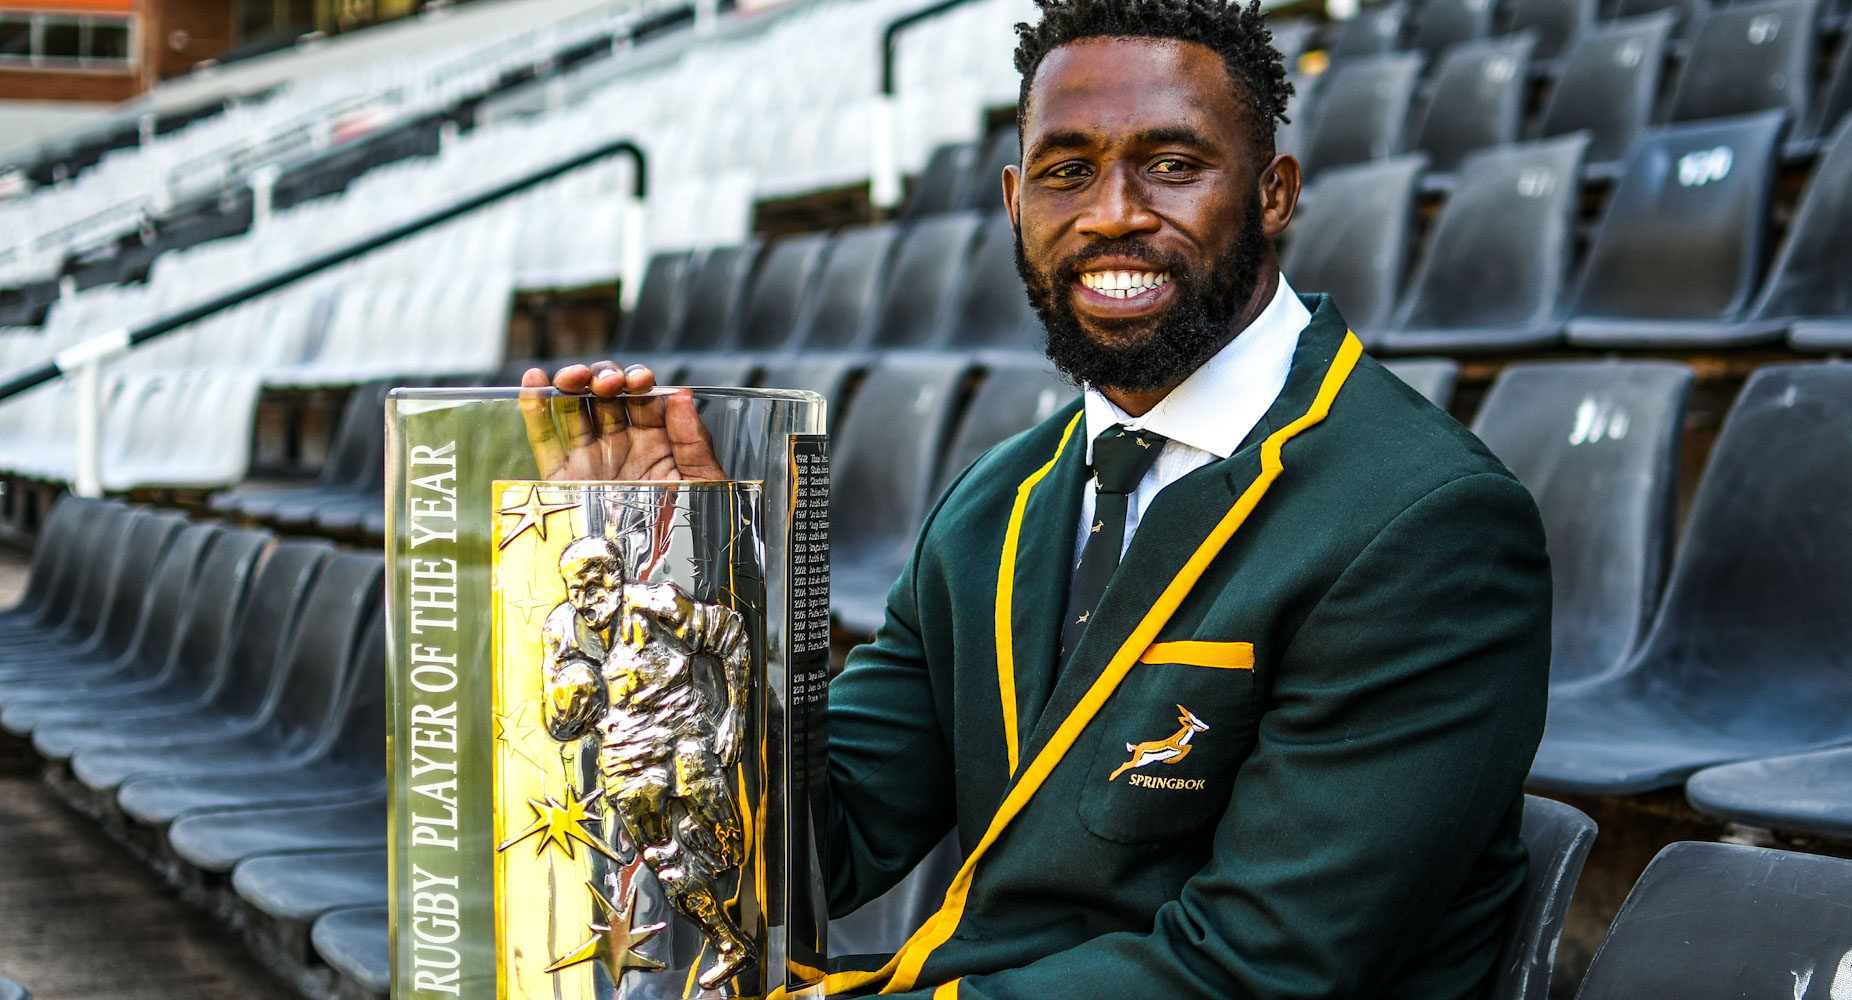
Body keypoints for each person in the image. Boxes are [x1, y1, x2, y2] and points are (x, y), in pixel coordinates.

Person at [522, 0, 1551, 994]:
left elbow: (1258, 966)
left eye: (1171, 165)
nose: (1111, 213)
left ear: (1273, 191)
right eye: (1067, 172)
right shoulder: (996, 502)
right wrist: (691, 589)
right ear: (1017, 205)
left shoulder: (1426, 521)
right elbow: (811, 856)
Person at [538, 535, 757, 988]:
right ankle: (729, 944)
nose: (584, 601)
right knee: (664, 857)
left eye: (593, 587)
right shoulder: (559, 630)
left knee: (729, 845)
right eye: (574, 590)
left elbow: (731, 635)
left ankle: (718, 847)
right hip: (626, 758)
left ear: (617, 579)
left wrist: (735, 713)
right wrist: (570, 696)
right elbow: (558, 725)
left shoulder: (658, 604)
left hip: (683, 732)